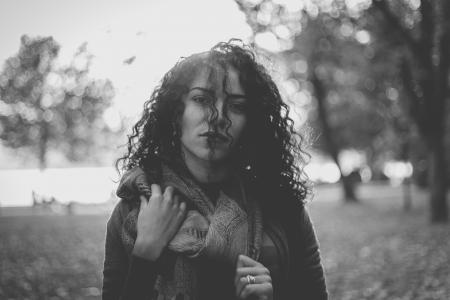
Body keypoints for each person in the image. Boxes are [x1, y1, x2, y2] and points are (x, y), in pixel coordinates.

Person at [102, 40, 328, 300]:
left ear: (251, 121)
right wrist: (144, 254)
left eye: (237, 105)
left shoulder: (283, 208)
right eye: (201, 99)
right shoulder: (133, 212)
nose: (217, 116)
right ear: (177, 112)